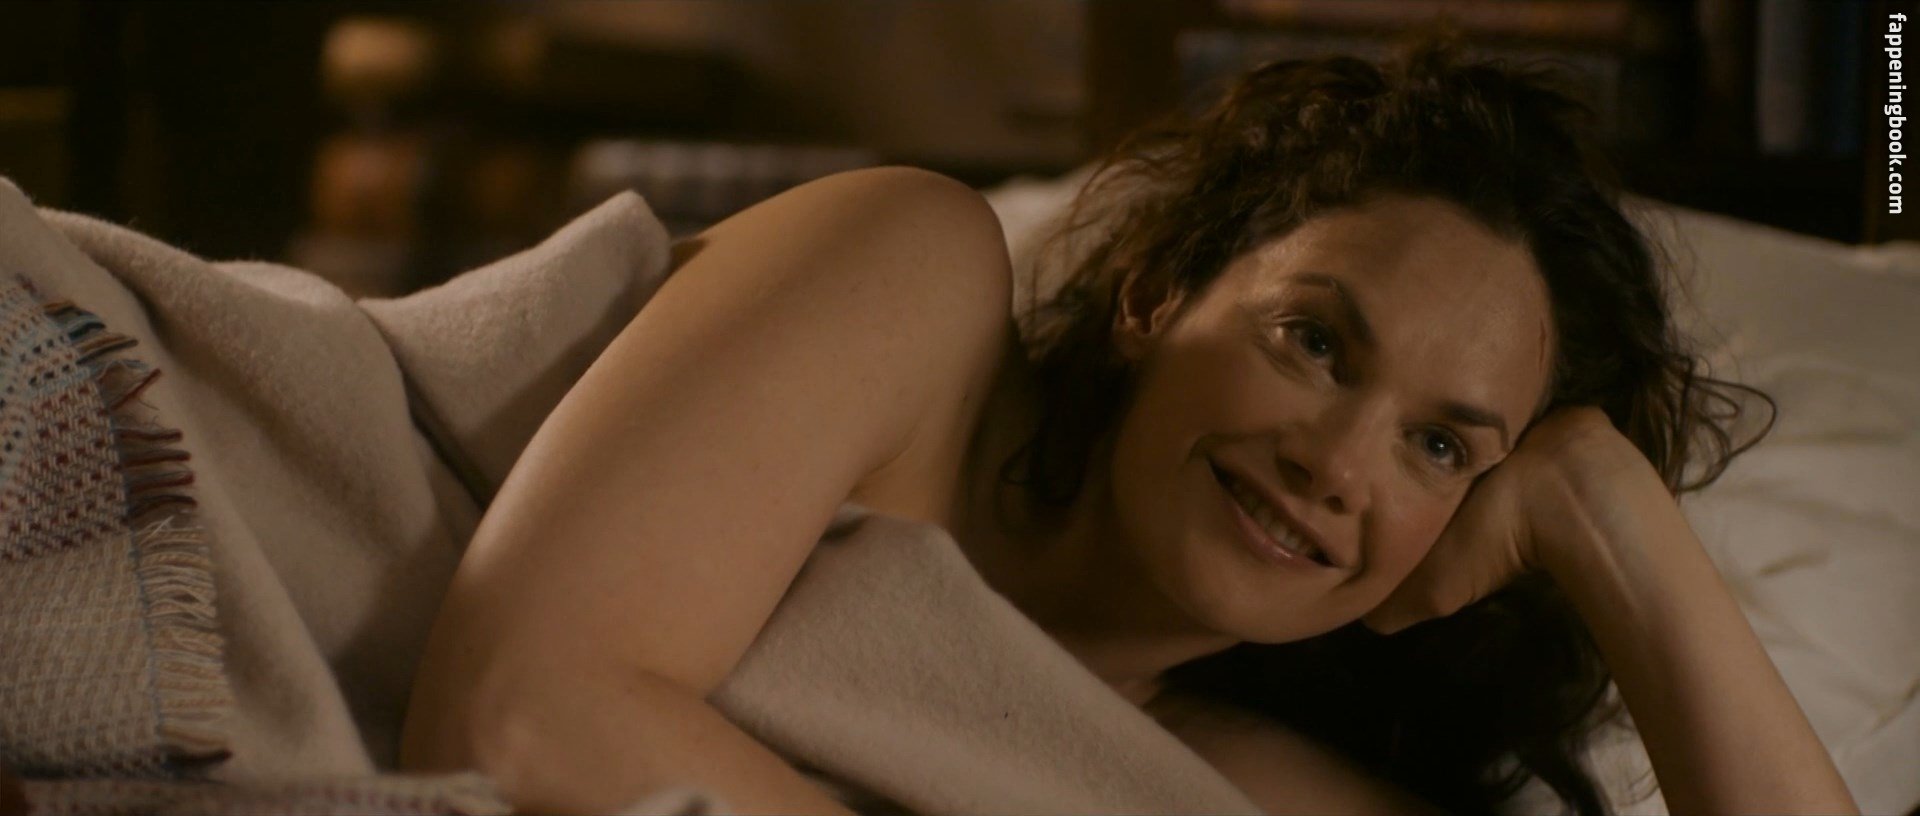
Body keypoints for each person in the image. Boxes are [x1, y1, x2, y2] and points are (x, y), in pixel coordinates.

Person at [398, 36, 1860, 816]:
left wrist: (1607, 509)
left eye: (1439, 446)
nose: (1334, 464)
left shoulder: (1207, 778)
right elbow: (520, 712)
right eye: (1313, 342)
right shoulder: (912, 270)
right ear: (1158, 293)